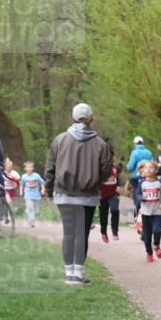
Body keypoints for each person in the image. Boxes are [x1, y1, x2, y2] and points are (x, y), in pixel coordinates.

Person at [44, 103, 112, 285]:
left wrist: (49, 190)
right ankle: (79, 274)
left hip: (64, 193)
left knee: (69, 233)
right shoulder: (101, 144)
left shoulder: (60, 140)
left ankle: (69, 274)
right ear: (91, 119)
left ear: (73, 118)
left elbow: (50, 168)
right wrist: (96, 181)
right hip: (88, 195)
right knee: (82, 233)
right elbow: (106, 170)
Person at [137, 160, 161, 262]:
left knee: (157, 231)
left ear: (156, 170)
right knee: (147, 236)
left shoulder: (159, 183)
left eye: (151, 167)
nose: (148, 169)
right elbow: (136, 195)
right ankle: (149, 253)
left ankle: (156, 245)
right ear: (143, 170)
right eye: (146, 168)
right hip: (145, 212)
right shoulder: (142, 183)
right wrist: (141, 197)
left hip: (157, 211)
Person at [127, 136, 153, 228]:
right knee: (147, 199)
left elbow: (130, 167)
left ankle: (137, 221)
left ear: (135, 143)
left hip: (136, 178)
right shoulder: (149, 152)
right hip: (148, 178)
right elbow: (152, 164)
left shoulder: (134, 152)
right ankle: (147, 220)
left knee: (137, 199)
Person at [98, 150, 121, 242]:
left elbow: (117, 177)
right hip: (102, 194)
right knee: (103, 214)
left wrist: (118, 185)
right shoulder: (98, 167)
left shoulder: (115, 167)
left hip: (113, 193)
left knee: (115, 209)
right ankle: (103, 232)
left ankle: (114, 231)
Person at [19, 161, 45, 227]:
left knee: (36, 210)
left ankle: (29, 212)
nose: (30, 168)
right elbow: (21, 184)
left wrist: (43, 189)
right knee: (31, 208)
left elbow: (42, 183)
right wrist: (21, 191)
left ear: (33, 168)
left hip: (36, 196)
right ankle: (32, 221)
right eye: (28, 167)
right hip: (28, 195)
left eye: (31, 167)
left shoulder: (36, 176)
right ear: (25, 168)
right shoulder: (24, 176)